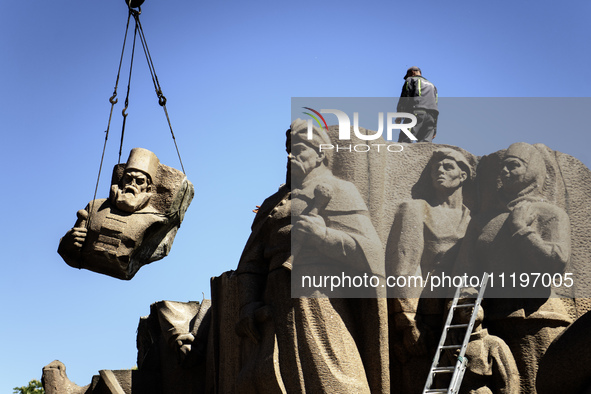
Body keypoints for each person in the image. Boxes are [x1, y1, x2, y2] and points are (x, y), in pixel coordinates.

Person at [234, 120, 389, 393]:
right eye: (288, 149)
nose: (292, 155)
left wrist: (324, 237)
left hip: (322, 301)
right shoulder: (273, 204)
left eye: (300, 148)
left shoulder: (340, 191)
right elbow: (250, 264)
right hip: (274, 307)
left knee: (337, 382)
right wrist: (248, 304)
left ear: (320, 154)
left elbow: (371, 253)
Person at [454, 142, 572, 393]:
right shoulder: (481, 222)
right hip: (493, 322)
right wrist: (467, 302)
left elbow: (556, 262)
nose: (504, 172)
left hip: (539, 318)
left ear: (533, 170)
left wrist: (521, 231)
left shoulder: (549, 213)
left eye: (514, 165)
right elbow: (465, 271)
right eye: (503, 166)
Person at [386, 148, 472, 393]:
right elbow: (403, 269)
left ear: (463, 175)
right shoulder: (415, 210)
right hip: (425, 319)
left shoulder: (472, 220)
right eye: (436, 167)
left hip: (461, 322)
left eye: (447, 167)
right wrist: (408, 323)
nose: (439, 172)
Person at [58, 147, 167, 279]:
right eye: (128, 179)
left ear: (148, 188)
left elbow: (158, 251)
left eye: (139, 181)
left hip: (122, 270)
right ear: (121, 181)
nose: (132, 185)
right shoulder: (95, 206)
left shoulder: (154, 219)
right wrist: (69, 242)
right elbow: (69, 249)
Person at [396, 66, 439, 143]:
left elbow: (405, 97)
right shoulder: (432, 85)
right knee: (425, 144)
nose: (407, 78)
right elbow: (436, 104)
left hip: (416, 112)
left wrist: (399, 114)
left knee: (405, 140)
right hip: (432, 117)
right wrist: (434, 128)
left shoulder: (411, 79)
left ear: (412, 72)